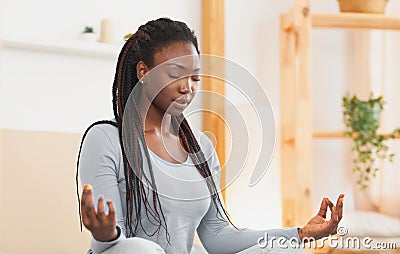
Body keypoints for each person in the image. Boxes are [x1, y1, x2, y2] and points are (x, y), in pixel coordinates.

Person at [77, 18, 344, 254]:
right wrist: (106, 235)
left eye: (195, 77)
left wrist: (298, 235)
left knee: (283, 252)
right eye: (174, 74)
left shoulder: (200, 148)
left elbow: (218, 236)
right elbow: (113, 245)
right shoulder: (107, 139)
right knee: (137, 248)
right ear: (144, 72)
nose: (187, 87)